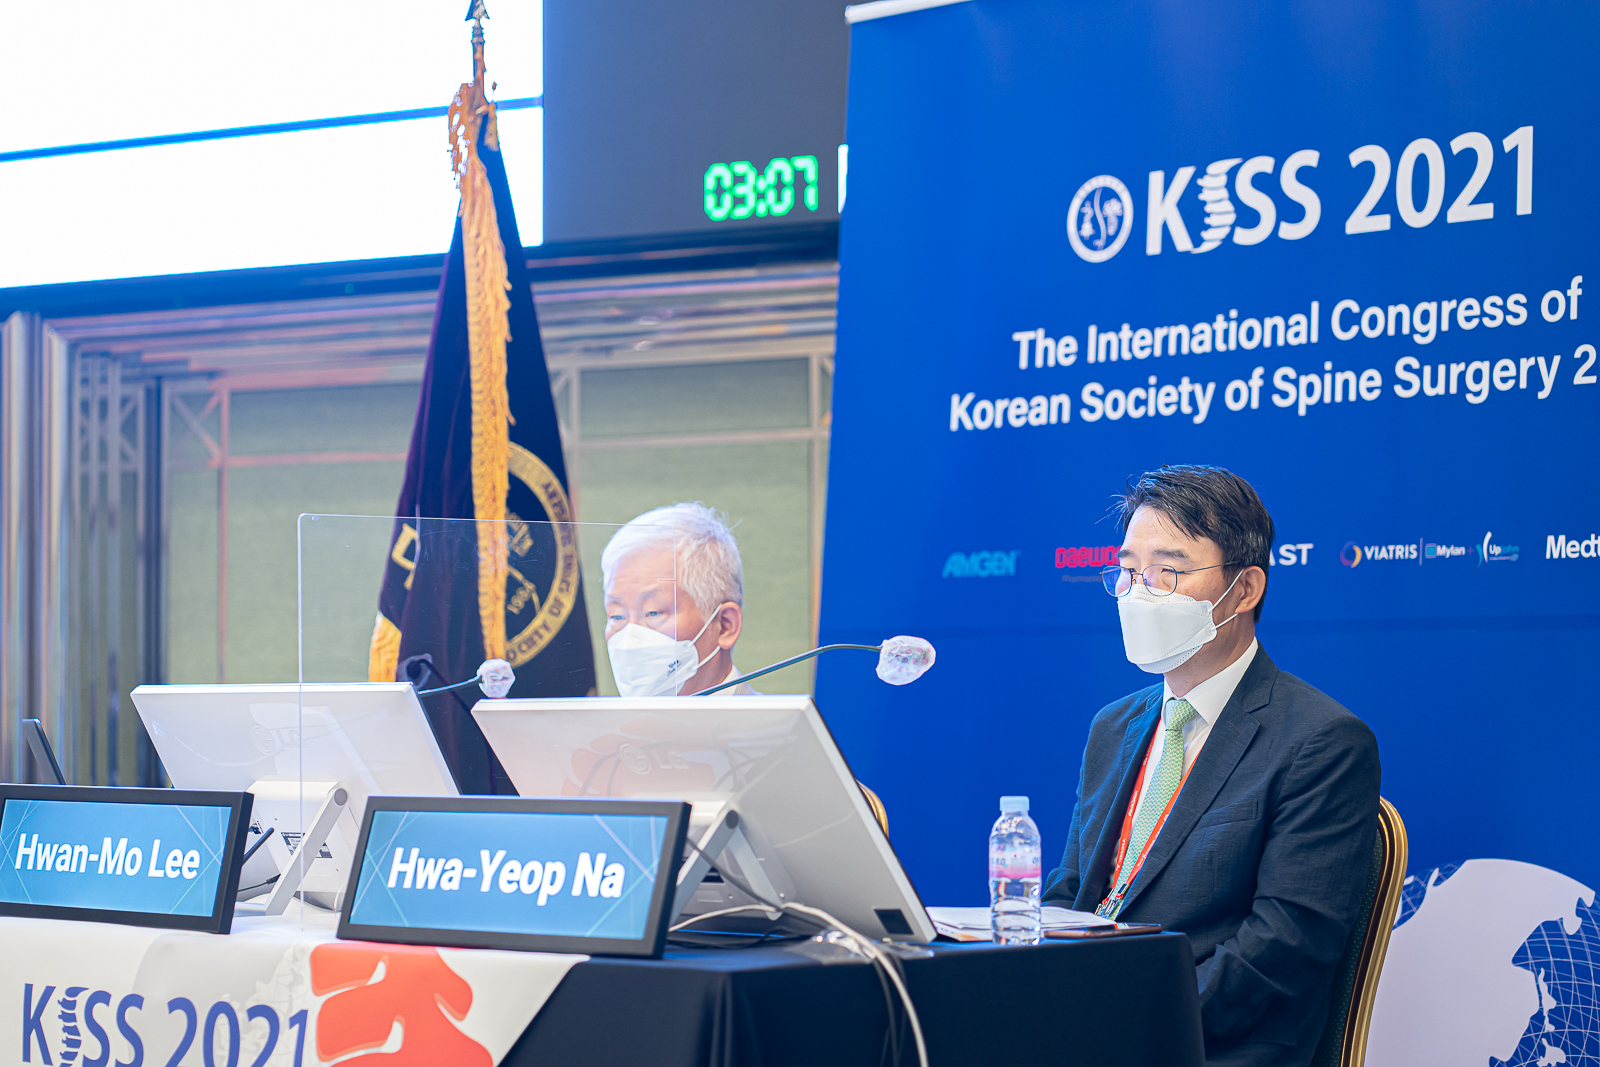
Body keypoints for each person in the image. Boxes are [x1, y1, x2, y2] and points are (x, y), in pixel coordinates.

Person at [1042, 465, 1380, 1067]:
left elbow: (1283, 948)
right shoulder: (1113, 726)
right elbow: (1071, 895)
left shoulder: (1321, 741)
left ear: (1244, 590)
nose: (1140, 593)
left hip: (1206, 1045)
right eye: (1128, 572)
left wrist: (1118, 1023)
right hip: (1084, 1025)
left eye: (1168, 572)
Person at [599, 502, 756, 696]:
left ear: (725, 626)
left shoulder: (782, 717)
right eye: (617, 616)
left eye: (653, 613)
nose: (629, 640)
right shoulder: (584, 717)